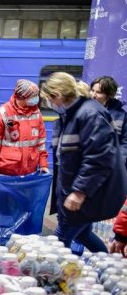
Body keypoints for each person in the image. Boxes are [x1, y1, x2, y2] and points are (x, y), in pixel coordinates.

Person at [41, 72, 127, 253]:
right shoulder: (70, 115)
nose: (49, 103)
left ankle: (49, 278)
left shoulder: (89, 114)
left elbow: (99, 158)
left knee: (59, 243)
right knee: (83, 234)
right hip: (74, 192)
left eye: (49, 98)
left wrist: (79, 192)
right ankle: (104, 260)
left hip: (86, 195)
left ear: (58, 95)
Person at [0, 79, 49, 176]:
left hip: (30, 170)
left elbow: (41, 143)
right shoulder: (3, 113)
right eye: (34, 96)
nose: (37, 98)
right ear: (23, 97)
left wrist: (43, 164)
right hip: (7, 171)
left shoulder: (37, 114)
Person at [91, 75, 127, 166]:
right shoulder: (82, 112)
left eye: (98, 92)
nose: (93, 95)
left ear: (109, 95)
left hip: (112, 167)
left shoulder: (121, 116)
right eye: (92, 90)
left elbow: (125, 142)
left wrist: (119, 163)